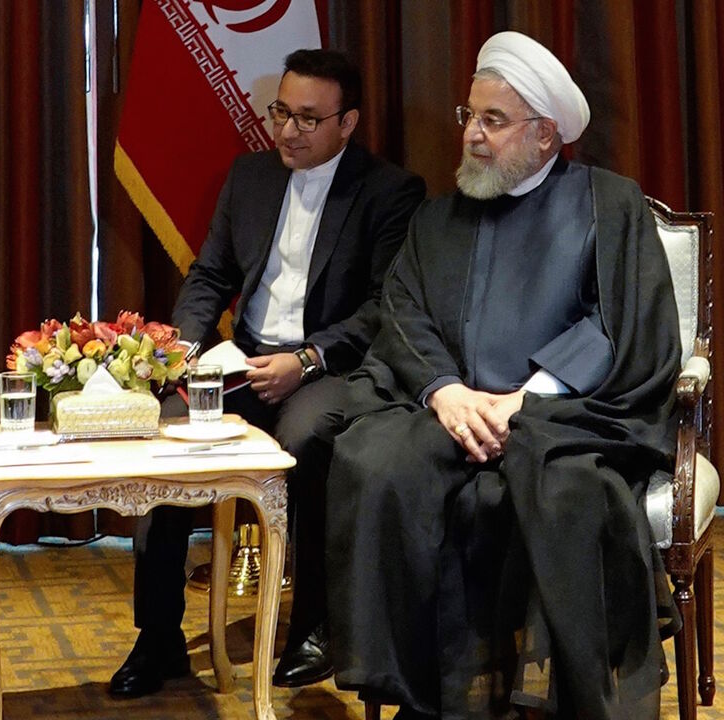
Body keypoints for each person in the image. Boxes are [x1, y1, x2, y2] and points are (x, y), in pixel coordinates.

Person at [324, 32, 680, 719]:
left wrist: (526, 399)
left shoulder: (608, 204)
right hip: (450, 409)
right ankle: (415, 693)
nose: (472, 135)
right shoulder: (438, 216)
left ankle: (562, 700)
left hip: (559, 415)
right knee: (373, 464)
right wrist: (446, 391)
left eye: (493, 120)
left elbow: (620, 323)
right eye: (470, 116)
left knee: (569, 491)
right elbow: (402, 311)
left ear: (545, 135)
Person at [109, 48, 425, 699]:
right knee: (165, 441)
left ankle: (314, 626)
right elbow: (210, 275)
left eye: (309, 119)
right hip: (245, 361)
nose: (288, 130)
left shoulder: (390, 191)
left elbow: (384, 307)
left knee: (307, 441)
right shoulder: (249, 176)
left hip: (328, 367)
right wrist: (181, 350)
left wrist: (306, 359)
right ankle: (159, 635)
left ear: (347, 122)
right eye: (282, 112)